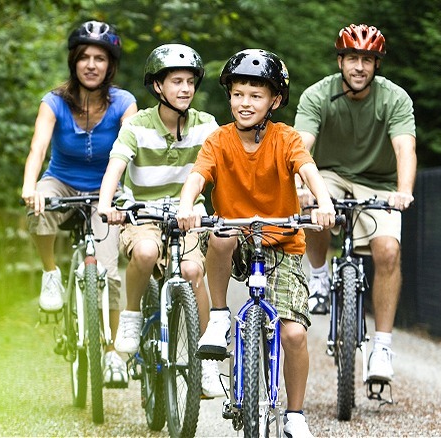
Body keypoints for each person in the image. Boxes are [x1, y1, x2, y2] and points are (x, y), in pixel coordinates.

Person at [176, 49, 336, 437]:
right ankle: (217, 318)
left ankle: (295, 414)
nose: (245, 103)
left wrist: (325, 201)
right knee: (221, 233)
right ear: (229, 96)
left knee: (294, 332)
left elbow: (308, 169)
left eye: (256, 95)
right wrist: (186, 205)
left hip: (281, 243)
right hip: (238, 238)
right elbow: (197, 178)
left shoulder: (286, 138)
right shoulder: (219, 140)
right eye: (238, 94)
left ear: (275, 100)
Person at [294, 24, 416, 383]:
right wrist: (303, 186)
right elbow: (302, 146)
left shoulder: (394, 98)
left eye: (367, 59)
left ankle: (381, 347)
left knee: (388, 251)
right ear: (340, 61)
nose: (359, 67)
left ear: (376, 64)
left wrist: (403, 190)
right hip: (328, 173)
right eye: (352, 58)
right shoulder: (318, 95)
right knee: (316, 210)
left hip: (378, 182)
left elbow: (404, 148)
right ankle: (317, 279)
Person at [97, 44, 221, 397]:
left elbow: (226, 167)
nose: (185, 89)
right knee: (147, 252)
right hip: (142, 215)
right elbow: (115, 168)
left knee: (194, 271)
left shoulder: (206, 125)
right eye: (176, 81)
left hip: (188, 214)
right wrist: (108, 205)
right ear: (157, 87)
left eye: (190, 82)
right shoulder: (137, 126)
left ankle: (208, 363)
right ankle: (133, 317)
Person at [20, 20, 138, 387]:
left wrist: (128, 196)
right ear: (73, 62)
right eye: (84, 57)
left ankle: (111, 353)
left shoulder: (124, 102)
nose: (91, 64)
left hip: (106, 191)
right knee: (40, 207)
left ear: (110, 64)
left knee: (109, 272)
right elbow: (38, 147)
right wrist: (30, 186)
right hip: (64, 183)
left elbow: (133, 152)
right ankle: (51, 272)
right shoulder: (54, 101)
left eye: (99, 58)